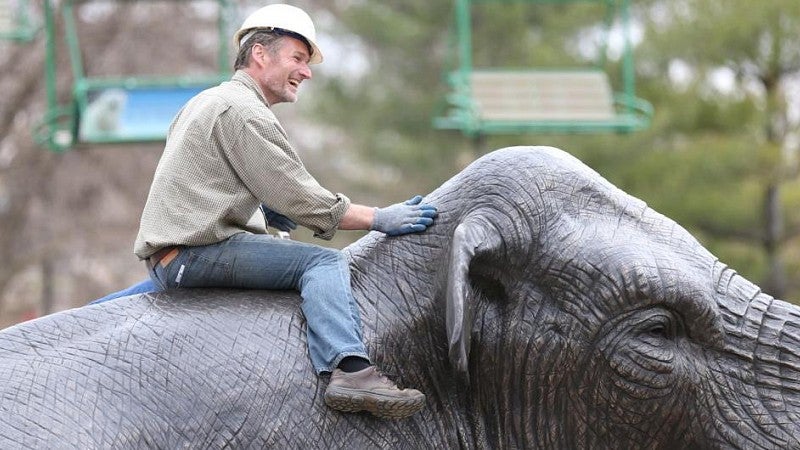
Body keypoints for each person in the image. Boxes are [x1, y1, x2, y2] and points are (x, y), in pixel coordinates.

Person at [132, 4, 437, 420]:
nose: (306, 72)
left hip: (167, 259)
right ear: (260, 53)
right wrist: (379, 218)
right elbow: (302, 199)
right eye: (297, 58)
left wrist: (263, 213)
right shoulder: (243, 112)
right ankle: (350, 370)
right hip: (198, 253)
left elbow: (211, 181)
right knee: (322, 263)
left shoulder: (209, 101)